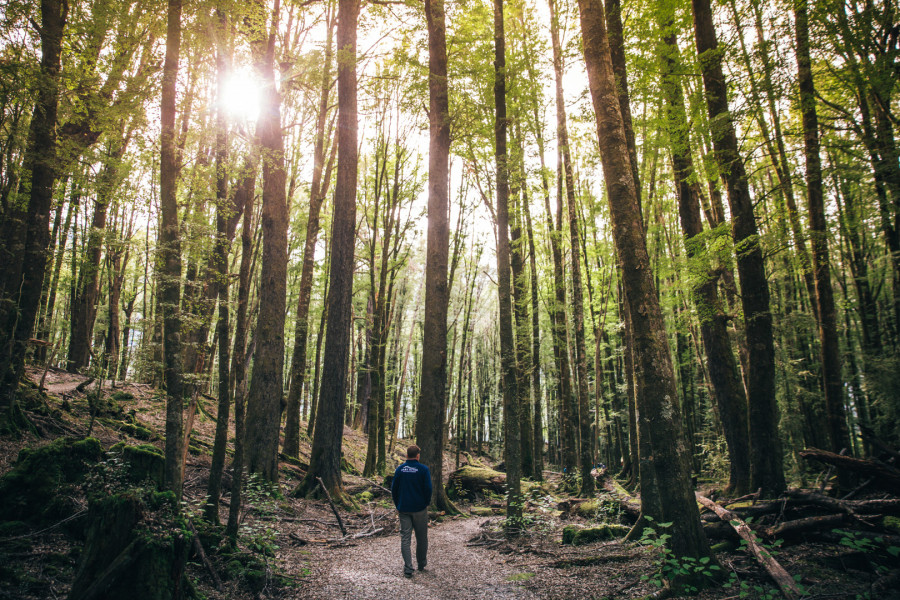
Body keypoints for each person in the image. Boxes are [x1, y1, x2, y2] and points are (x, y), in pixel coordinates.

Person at [391, 444, 432, 578]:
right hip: (420, 509)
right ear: (418, 456)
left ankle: (408, 567)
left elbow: (394, 489)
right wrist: (426, 503)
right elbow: (428, 489)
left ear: (407, 455)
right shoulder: (423, 469)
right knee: (421, 538)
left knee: (405, 538)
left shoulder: (400, 469)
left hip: (404, 509)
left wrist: (398, 504)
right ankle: (421, 563)